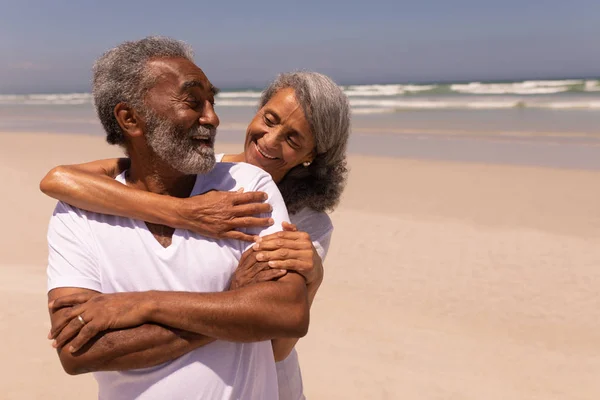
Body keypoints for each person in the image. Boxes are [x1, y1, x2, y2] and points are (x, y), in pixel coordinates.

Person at [43, 37, 350, 400]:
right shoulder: (197, 164)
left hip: (273, 381)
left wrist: (142, 303)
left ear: (311, 157)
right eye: (269, 120)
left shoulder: (260, 194)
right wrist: (187, 215)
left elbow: (278, 328)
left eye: (293, 139)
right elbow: (58, 179)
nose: (269, 141)